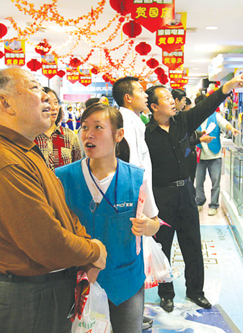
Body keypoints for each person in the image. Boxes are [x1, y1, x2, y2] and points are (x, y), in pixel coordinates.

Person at [0, 67, 107, 333]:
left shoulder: (22, 148)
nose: (45, 97)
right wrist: (94, 251)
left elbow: (61, 212)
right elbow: (46, 242)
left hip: (45, 289)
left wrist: (87, 242)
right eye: (34, 88)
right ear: (5, 103)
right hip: (26, 298)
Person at [144, 70, 243, 313]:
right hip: (162, 197)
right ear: (153, 107)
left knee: (192, 244)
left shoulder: (183, 121)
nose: (172, 100)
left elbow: (208, 105)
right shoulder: (146, 134)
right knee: (164, 247)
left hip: (187, 195)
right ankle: (166, 293)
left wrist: (229, 85)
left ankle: (195, 292)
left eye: (172, 97)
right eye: (166, 98)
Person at [56, 103, 159, 332]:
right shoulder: (63, 178)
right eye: (84, 127)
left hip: (125, 279)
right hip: (77, 281)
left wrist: (147, 226)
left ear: (119, 135)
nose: (88, 135)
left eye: (98, 127)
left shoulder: (136, 177)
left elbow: (155, 223)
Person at [112, 76, 159, 330]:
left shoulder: (134, 120)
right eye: (141, 90)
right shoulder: (125, 121)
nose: (146, 95)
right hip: (133, 199)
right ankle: (130, 316)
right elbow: (132, 164)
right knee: (132, 255)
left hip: (140, 196)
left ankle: (135, 313)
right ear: (127, 97)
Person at [195, 107, 240, 216]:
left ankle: (214, 205)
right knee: (198, 182)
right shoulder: (195, 117)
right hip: (199, 156)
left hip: (214, 155)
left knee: (216, 182)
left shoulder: (215, 116)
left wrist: (232, 129)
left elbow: (225, 124)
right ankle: (199, 201)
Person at [34, 87, 81, 171]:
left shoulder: (70, 136)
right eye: (47, 102)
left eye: (56, 102)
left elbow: (77, 169)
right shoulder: (29, 136)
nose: (53, 107)